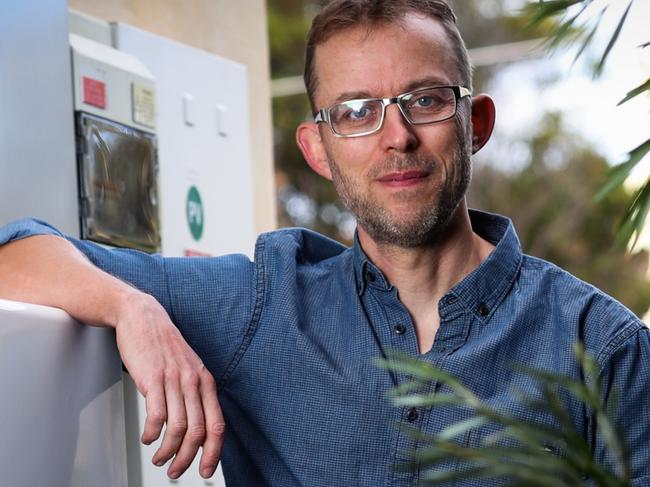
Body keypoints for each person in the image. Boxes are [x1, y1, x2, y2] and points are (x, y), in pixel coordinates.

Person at [1, 0, 649, 485]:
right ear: (318, 148)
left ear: (473, 122)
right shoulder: (260, 304)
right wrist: (130, 307)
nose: (395, 135)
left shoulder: (602, 344)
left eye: (423, 99)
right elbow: (19, 255)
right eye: (356, 111)